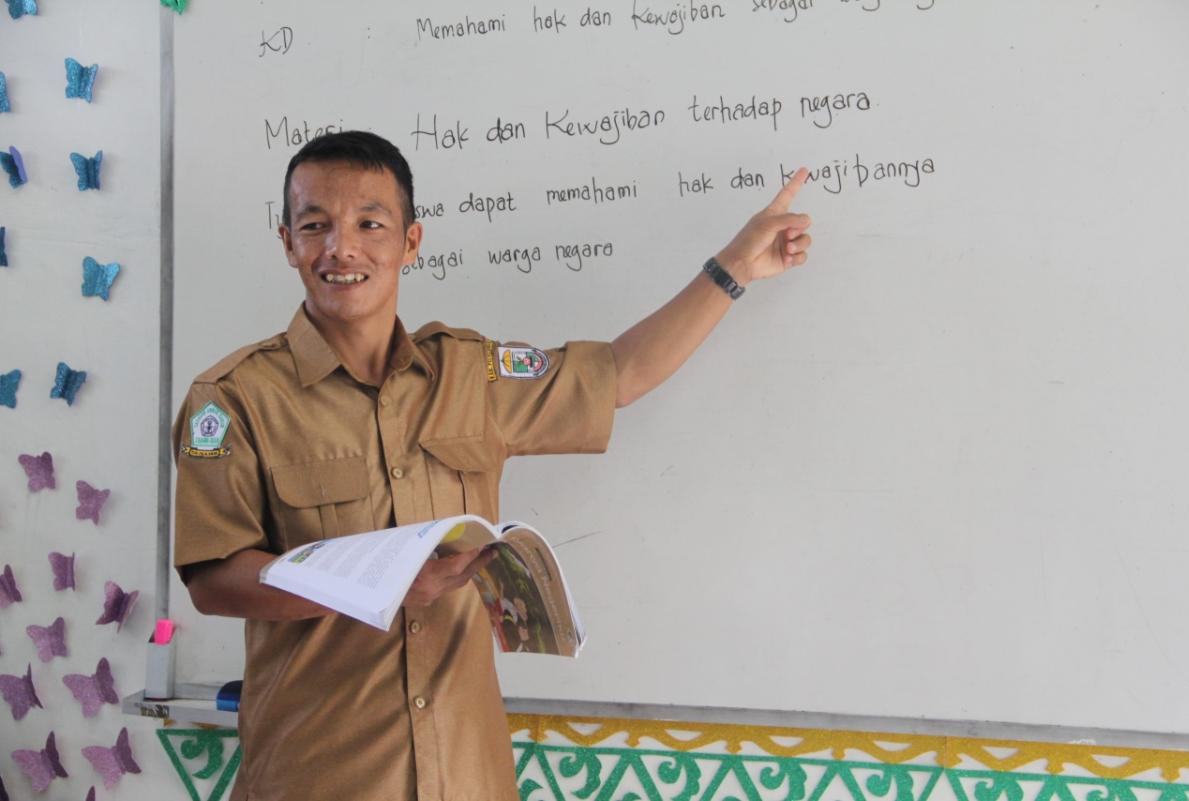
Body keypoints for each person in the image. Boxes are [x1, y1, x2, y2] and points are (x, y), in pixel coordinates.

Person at [173, 130, 812, 801]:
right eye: (315, 226)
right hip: (320, 778)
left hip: (467, 777)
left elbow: (619, 374)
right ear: (287, 243)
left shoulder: (470, 374)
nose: (342, 248)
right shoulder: (233, 398)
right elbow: (215, 579)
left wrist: (735, 266)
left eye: (370, 223)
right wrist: (375, 585)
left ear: (410, 242)